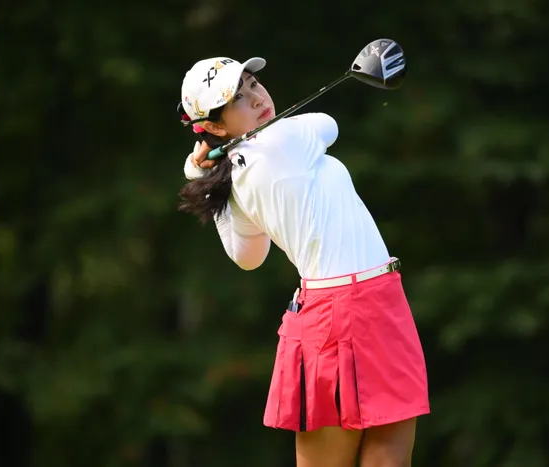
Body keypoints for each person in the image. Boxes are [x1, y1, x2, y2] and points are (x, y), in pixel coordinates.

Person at [177, 55, 429, 467]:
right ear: (216, 127)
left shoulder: (238, 177)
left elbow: (247, 256)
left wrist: (205, 179)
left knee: (388, 458)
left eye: (253, 83)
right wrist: (211, 177)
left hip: (371, 301)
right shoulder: (281, 140)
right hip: (344, 310)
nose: (257, 98)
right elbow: (329, 124)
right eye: (236, 98)